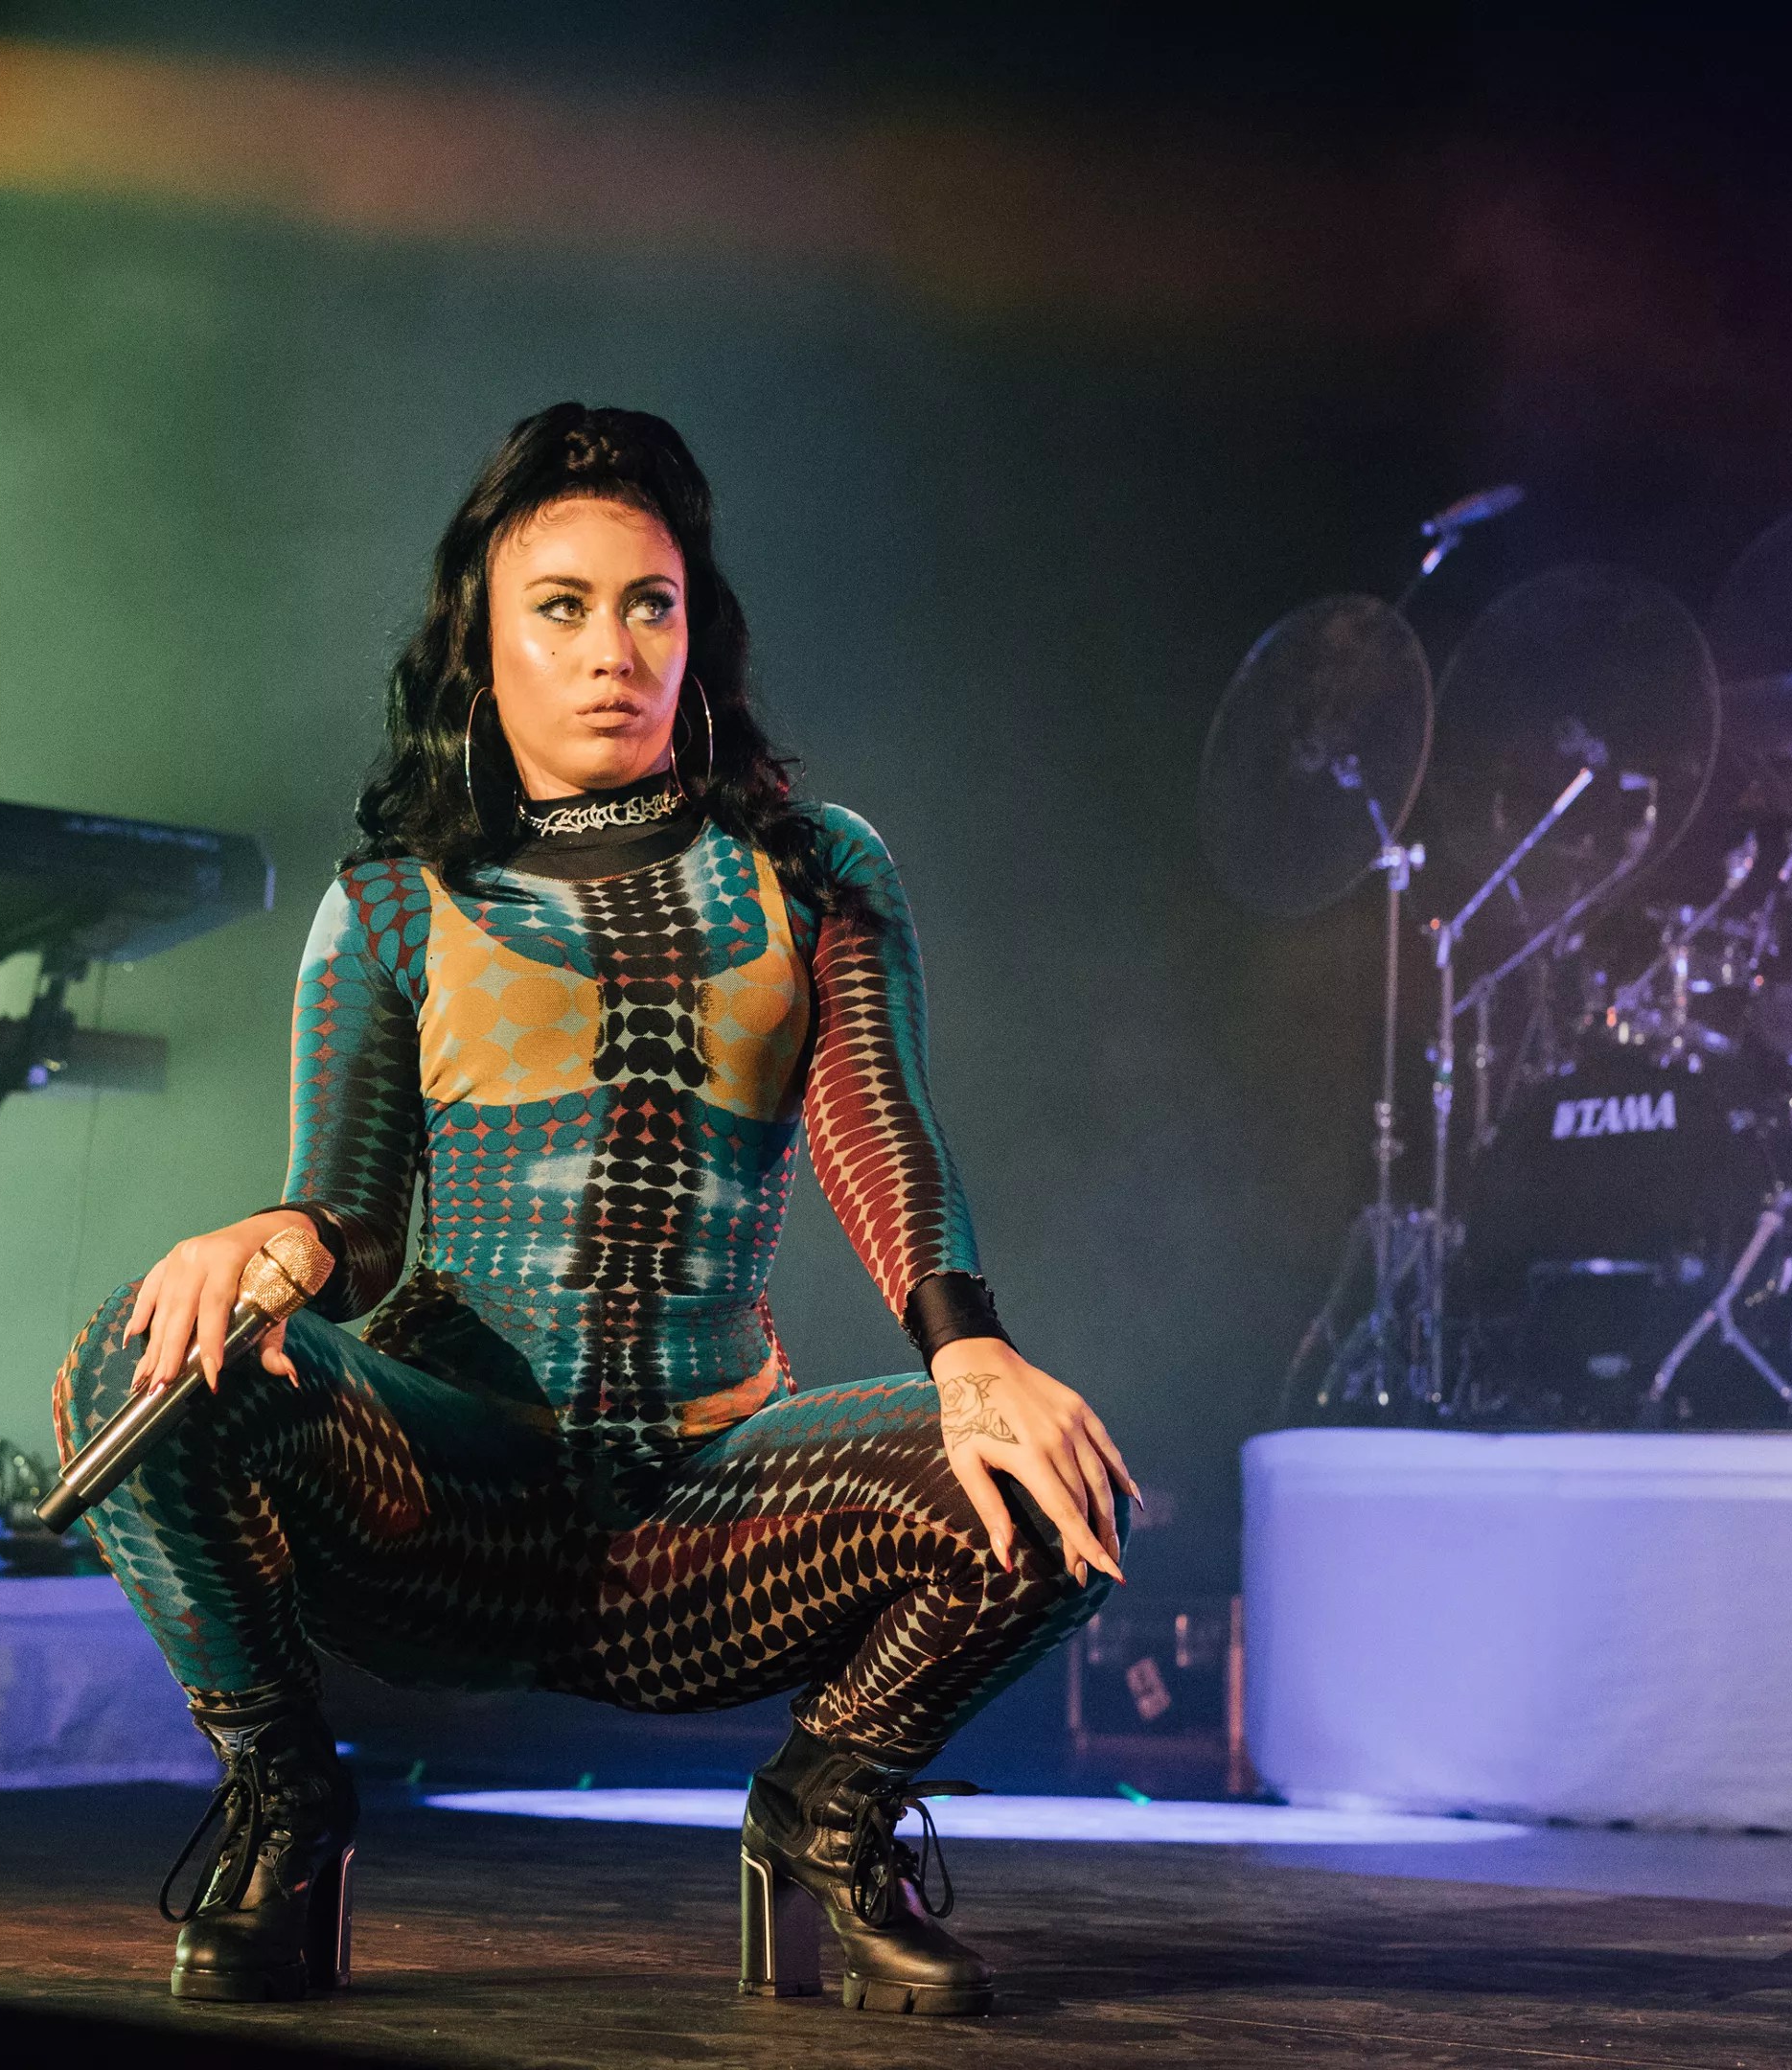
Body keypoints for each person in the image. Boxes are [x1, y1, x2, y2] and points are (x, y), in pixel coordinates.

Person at [56, 404, 1134, 2017]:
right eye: (558, 608)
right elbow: (347, 1219)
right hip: (444, 1509)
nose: (610, 651)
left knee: (1050, 1476)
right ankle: (285, 1807)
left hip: (709, 1519)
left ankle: (822, 1814)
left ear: (696, 633)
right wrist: (266, 1246)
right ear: (479, 644)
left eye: (650, 605)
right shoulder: (389, 902)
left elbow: (878, 1131)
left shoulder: (814, 866)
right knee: (136, 1358)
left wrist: (970, 1354)